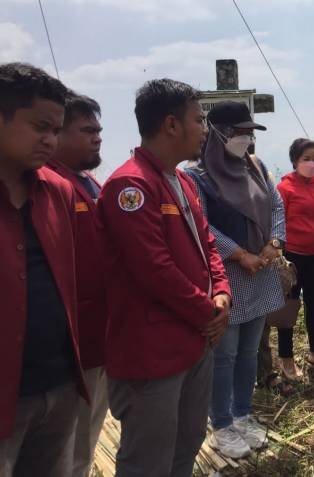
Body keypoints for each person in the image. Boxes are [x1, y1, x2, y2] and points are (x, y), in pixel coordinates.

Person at [98, 79, 231, 477]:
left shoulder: (182, 180)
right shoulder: (131, 185)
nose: (205, 129)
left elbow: (207, 244)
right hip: (153, 350)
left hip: (194, 339)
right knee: (148, 461)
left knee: (186, 445)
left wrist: (222, 293)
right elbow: (153, 269)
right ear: (171, 125)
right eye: (199, 119)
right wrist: (207, 309)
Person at [0, 62, 87, 477]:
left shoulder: (58, 192)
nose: (51, 140)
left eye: (56, 129)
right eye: (40, 127)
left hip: (58, 383)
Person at [185, 100, 285, 458]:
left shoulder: (255, 168)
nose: (247, 140)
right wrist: (240, 254)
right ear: (220, 133)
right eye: (241, 133)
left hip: (261, 271)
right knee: (224, 354)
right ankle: (222, 423)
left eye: (249, 133)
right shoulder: (196, 176)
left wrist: (274, 243)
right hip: (227, 276)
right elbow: (201, 224)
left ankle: (243, 413)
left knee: (247, 353)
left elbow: (276, 205)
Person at [45, 93, 109, 477]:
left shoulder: (89, 183)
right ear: (57, 134)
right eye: (87, 130)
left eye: (99, 129)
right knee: (64, 443)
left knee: (87, 435)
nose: (98, 137)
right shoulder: (48, 186)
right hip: (69, 344)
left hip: (99, 335)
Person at [277, 138, 314, 376]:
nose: (311, 163)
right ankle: (285, 357)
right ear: (294, 161)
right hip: (293, 257)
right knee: (289, 306)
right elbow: (279, 223)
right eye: (305, 159)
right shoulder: (285, 188)